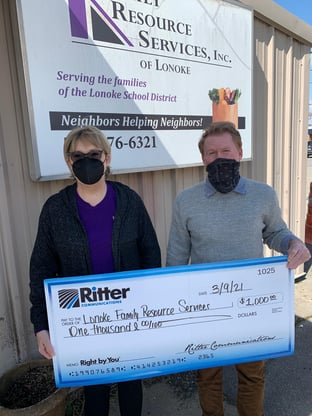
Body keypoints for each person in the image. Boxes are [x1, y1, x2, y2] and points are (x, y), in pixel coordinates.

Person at [166, 121, 310, 416]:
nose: (219, 158)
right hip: (204, 305)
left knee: (252, 375)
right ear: (203, 157)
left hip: (250, 305)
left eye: (226, 150)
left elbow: (274, 233)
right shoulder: (186, 201)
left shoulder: (263, 195)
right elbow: (177, 256)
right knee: (207, 375)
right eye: (211, 152)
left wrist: (293, 243)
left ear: (240, 152)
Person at [29, 125, 161, 416]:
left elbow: (150, 253)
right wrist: (42, 324)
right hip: (83, 320)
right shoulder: (55, 210)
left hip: (128, 314)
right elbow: (41, 267)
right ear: (68, 162)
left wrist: (151, 307)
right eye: (78, 155)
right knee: (95, 390)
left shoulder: (129, 202)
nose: (86, 161)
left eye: (94, 154)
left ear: (107, 158)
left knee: (130, 385)